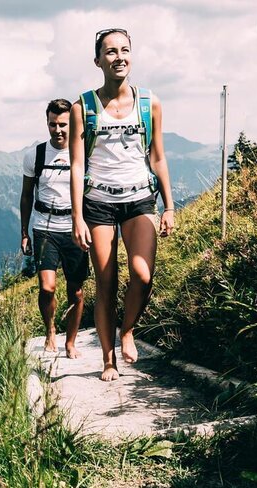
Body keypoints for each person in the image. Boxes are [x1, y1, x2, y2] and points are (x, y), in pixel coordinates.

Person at [69, 28, 176, 381]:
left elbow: (158, 157)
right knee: (106, 281)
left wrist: (170, 206)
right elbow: (77, 165)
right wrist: (77, 217)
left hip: (140, 199)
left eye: (125, 50)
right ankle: (108, 359)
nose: (119, 57)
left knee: (143, 276)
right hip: (98, 203)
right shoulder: (81, 107)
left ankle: (127, 330)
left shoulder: (150, 103)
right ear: (98, 60)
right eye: (110, 51)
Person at [21, 98, 89, 358]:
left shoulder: (83, 153)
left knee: (77, 290)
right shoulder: (35, 155)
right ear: (47, 123)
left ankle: (71, 342)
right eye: (53, 124)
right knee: (47, 287)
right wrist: (24, 232)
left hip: (74, 227)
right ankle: (50, 331)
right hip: (44, 227)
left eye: (63, 124)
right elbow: (26, 196)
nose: (58, 130)